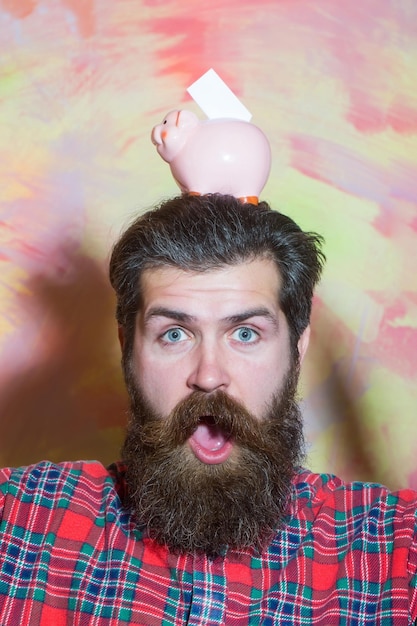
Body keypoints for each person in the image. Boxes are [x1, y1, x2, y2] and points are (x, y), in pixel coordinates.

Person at [0, 193, 416, 625]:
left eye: (246, 334)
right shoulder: (20, 525)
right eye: (175, 334)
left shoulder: (394, 551)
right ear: (127, 349)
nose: (209, 375)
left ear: (297, 348)